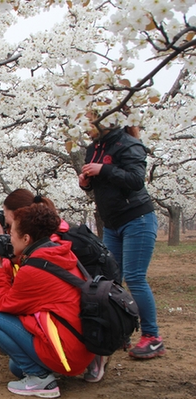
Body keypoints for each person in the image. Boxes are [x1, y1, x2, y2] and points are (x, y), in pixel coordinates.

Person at [0, 197, 94, 398]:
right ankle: (40, 371)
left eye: (12, 232)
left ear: (26, 239)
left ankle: (41, 381)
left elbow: (3, 305)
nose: (9, 238)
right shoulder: (60, 253)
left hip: (67, 353)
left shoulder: (34, 268)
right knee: (16, 367)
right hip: (83, 346)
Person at [79, 113, 164, 360]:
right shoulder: (92, 149)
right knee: (108, 281)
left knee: (135, 277)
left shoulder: (129, 144)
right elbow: (98, 184)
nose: (84, 127)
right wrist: (86, 182)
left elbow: (136, 180)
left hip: (137, 218)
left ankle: (152, 337)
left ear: (105, 120)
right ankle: (119, 332)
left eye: (88, 121)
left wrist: (104, 169)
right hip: (112, 224)